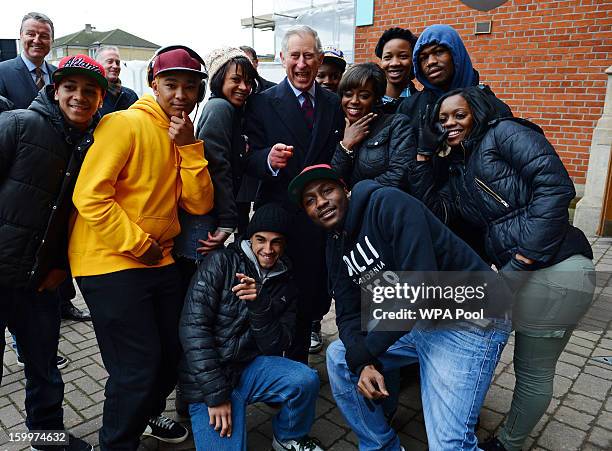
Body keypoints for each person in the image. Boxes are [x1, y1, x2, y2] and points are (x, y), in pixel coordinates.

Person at [410, 86, 595, 451]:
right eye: (442, 119)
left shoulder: (504, 133)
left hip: (557, 269)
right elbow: (437, 211)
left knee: (532, 372)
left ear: (477, 112)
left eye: (459, 115)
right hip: (525, 276)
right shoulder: (460, 169)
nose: (450, 123)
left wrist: (523, 261)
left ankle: (507, 445)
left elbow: (556, 187)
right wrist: (421, 155)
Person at [288, 164, 511, 450]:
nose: (321, 202)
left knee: (449, 445)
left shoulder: (387, 203)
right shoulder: (335, 242)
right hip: (417, 321)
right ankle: (381, 446)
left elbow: (421, 287)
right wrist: (363, 361)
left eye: (327, 190)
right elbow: (347, 310)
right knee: (341, 357)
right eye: (310, 200)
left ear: (345, 190)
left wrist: (367, 352)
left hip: (470, 320)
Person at [68, 46, 214, 450]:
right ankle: (116, 442)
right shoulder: (124, 124)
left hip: (157, 259)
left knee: (172, 352)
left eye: (190, 86)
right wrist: (137, 244)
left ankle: (144, 414)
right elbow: (91, 196)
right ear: (154, 85)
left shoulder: (181, 132)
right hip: (110, 261)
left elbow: (199, 204)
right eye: (172, 85)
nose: (181, 94)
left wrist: (188, 147)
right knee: (136, 367)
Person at [0, 53, 107, 451]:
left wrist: (61, 266)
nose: (79, 97)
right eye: (71, 87)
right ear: (54, 89)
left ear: (100, 100)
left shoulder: (95, 147)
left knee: (44, 369)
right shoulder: (19, 125)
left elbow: (77, 216)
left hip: (39, 283)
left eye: (90, 91)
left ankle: (47, 440)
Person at [179, 203, 324, 451]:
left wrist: (260, 305)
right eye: (261, 240)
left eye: (276, 242)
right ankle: (200, 410)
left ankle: (288, 436)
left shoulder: (287, 280)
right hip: (209, 379)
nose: (268, 250)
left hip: (248, 369)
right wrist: (216, 395)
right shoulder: (221, 262)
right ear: (250, 238)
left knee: (305, 379)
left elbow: (277, 345)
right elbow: (193, 329)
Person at [244, 25, 344, 362]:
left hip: (320, 220)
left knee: (311, 295)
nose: (302, 64)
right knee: (275, 294)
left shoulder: (334, 103)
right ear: (283, 59)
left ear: (319, 59)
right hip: (281, 218)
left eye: (309, 56)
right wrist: (267, 159)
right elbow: (246, 156)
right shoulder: (262, 103)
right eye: (295, 56)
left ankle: (298, 364)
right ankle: (271, 367)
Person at [0, 11, 90, 322]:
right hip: (21, 176)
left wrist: (62, 267)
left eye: (44, 35)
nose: (37, 40)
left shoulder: (58, 74)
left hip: (40, 262)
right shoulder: (6, 81)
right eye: (31, 34)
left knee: (43, 361)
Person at [175, 46, 257, 285]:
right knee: (199, 289)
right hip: (205, 220)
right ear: (219, 78)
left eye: (249, 81)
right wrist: (227, 223)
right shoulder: (220, 108)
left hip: (209, 215)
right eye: (236, 79)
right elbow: (217, 168)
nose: (244, 87)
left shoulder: (230, 110)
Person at [331, 62, 415, 190]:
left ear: (376, 98)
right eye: (348, 94)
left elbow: (400, 175)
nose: (354, 101)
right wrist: (346, 145)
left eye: (364, 96)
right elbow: (333, 181)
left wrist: (356, 195)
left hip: (382, 206)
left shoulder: (396, 125)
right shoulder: (337, 127)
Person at [374, 27, 418, 113]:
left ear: (413, 60)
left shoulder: (421, 103)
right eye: (388, 57)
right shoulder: (370, 101)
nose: (394, 63)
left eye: (403, 56)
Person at [95, 45, 138, 116]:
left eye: (117, 63)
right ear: (97, 65)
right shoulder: (91, 95)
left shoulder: (130, 96)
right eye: (110, 62)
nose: (115, 66)